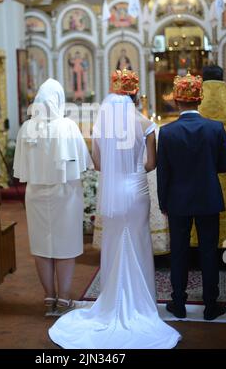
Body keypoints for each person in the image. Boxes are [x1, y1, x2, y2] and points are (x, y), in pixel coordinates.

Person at [49, 69, 181, 349]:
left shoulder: (102, 124)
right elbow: (150, 164)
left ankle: (110, 302)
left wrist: (117, 169)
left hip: (112, 193)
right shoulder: (144, 123)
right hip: (136, 191)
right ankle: (142, 305)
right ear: (135, 95)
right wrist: (132, 169)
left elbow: (98, 164)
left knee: (113, 243)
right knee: (138, 241)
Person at [13, 78, 93, 317]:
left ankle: (49, 298)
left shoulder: (27, 127)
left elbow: (20, 167)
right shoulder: (66, 125)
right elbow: (84, 162)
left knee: (42, 245)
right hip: (65, 194)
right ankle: (65, 299)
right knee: (64, 245)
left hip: (35, 194)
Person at [157, 70, 226, 321]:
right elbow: (224, 165)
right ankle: (211, 305)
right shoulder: (215, 128)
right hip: (208, 198)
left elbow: (163, 173)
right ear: (199, 100)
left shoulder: (167, 133)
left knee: (178, 251)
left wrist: (163, 201)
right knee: (208, 251)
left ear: (177, 101)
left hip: (177, 200)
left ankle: (178, 303)